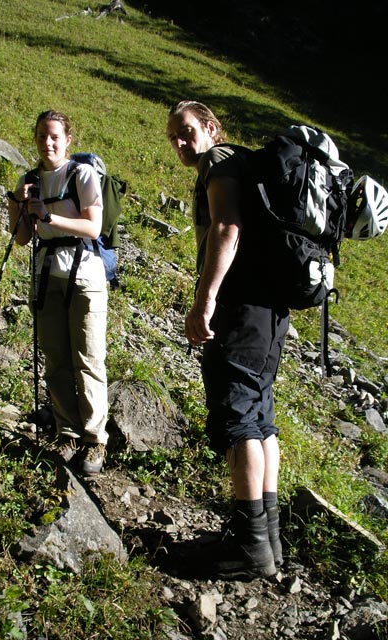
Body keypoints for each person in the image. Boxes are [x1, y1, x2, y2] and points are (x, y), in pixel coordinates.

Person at [166, 100, 289, 580]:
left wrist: (205, 299)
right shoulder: (246, 164)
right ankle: (267, 539)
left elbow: (226, 226)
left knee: (240, 419)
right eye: (173, 136)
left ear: (211, 128)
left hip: (239, 307)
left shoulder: (219, 160)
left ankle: (248, 544)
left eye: (187, 131)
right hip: (269, 311)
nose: (180, 143)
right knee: (261, 416)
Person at [8, 109, 109, 476]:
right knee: (55, 356)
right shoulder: (29, 180)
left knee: (88, 357)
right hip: (47, 273)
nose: (46, 142)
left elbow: (93, 227)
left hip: (85, 276)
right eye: (40, 135)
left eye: (53, 136)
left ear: (68, 139)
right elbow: (20, 238)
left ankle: (95, 440)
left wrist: (49, 218)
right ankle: (67, 432)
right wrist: (16, 202)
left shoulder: (81, 174)